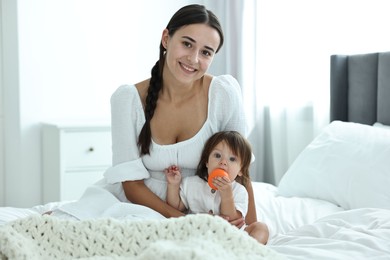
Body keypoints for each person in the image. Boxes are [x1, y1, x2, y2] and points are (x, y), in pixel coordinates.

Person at [52, 4, 256, 228]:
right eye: (187, 44)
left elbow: (241, 169)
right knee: (64, 230)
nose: (193, 59)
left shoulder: (224, 93)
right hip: (136, 203)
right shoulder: (128, 99)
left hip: (199, 207)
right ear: (166, 39)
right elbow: (131, 185)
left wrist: (249, 230)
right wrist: (186, 222)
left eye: (206, 52)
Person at [165, 131, 269, 244]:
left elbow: (234, 220)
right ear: (207, 162)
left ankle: (247, 250)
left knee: (261, 228)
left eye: (232, 159)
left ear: (240, 170)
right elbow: (176, 206)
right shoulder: (192, 183)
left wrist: (227, 195)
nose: (223, 162)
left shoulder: (239, 190)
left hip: (233, 236)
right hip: (202, 232)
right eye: (217, 155)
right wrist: (173, 185)